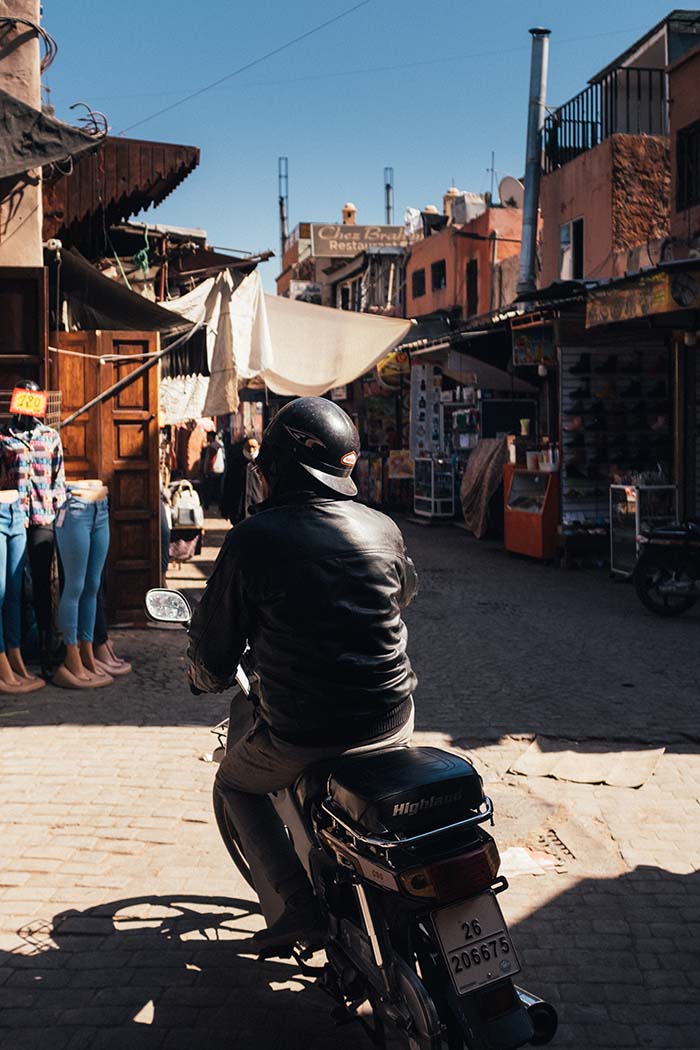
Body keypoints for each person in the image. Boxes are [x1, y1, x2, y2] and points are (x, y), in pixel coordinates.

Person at [187, 398, 417, 950]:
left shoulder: (253, 540)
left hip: (305, 732)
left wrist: (204, 676)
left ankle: (295, 904)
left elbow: (215, 653)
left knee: (235, 782)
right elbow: (403, 595)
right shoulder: (383, 528)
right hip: (393, 719)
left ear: (279, 470)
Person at [199, 431, 225, 511]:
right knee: (217, 489)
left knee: (208, 489)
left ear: (211, 437)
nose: (206, 438)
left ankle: (208, 505)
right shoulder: (219, 445)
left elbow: (212, 459)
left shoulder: (213, 446)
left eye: (208, 436)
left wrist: (207, 470)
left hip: (213, 471)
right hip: (219, 470)